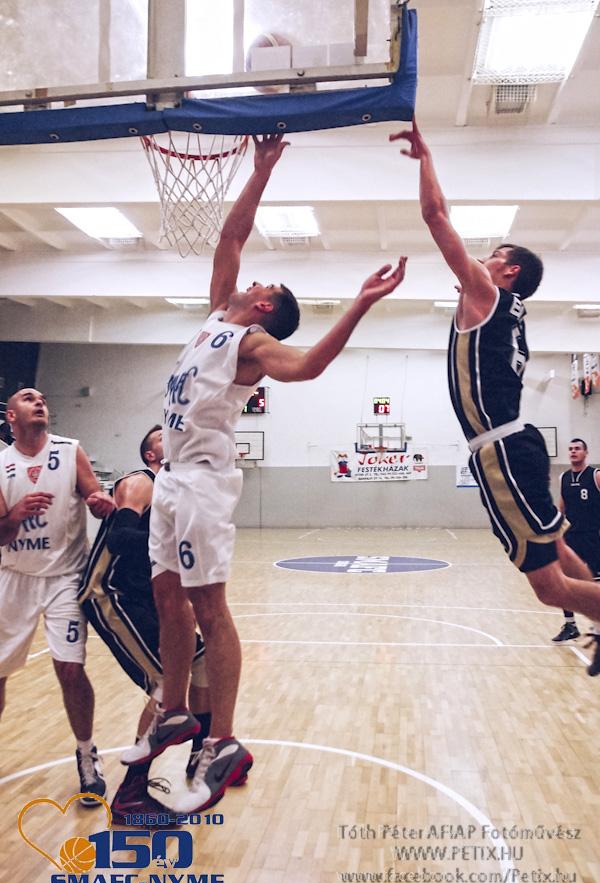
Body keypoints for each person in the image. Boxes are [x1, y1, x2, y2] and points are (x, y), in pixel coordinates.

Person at [121, 133, 407, 814]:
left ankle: (222, 739)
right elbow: (232, 234)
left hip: (204, 481)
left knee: (208, 607)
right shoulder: (216, 315)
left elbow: (307, 368)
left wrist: (360, 303)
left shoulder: (255, 343)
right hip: (172, 479)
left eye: (263, 285)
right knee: (166, 596)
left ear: (267, 306)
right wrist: (262, 169)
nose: (253, 280)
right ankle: (172, 710)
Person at [392, 119, 600, 676]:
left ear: (509, 271)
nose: (481, 259)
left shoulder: (488, 295)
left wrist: (426, 160)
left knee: (547, 586)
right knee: (558, 548)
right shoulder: (506, 311)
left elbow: (436, 217)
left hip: (500, 449)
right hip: (514, 442)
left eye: (491, 255)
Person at [79, 424, 220, 823]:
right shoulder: (140, 482)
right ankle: (130, 794)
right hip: (111, 592)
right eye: (161, 436)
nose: (173, 433)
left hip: (147, 597)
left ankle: (199, 756)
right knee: (166, 683)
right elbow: (121, 538)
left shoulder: (176, 493)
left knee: (202, 661)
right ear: (151, 455)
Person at [0, 388, 115, 804]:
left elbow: (95, 496)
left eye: (43, 399)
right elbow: (1, 533)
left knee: (70, 669)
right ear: (11, 416)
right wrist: (15, 515)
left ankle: (86, 756)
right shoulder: (1, 463)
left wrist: (100, 502)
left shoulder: (69, 450)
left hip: (65, 577)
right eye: (29, 398)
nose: (40, 401)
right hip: (14, 577)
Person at [551, 439, 600, 655]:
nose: (573, 452)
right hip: (571, 536)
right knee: (565, 581)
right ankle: (570, 625)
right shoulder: (564, 477)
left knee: (595, 582)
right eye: (570, 449)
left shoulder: (595, 475)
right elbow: (562, 508)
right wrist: (554, 531)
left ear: (586, 453)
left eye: (577, 449)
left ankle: (598, 626)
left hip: (593, 537)